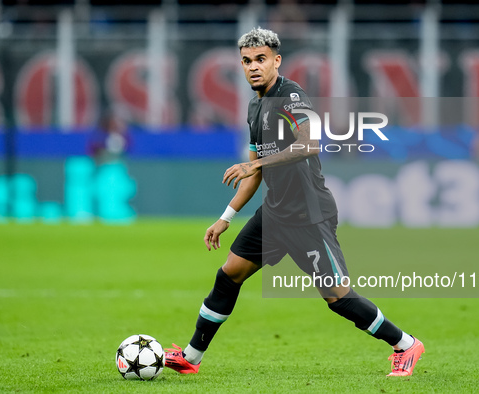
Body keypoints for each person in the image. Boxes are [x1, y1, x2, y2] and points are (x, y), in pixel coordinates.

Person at [164, 27, 424, 377]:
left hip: (309, 215)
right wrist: (227, 216)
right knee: (229, 275)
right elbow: (254, 175)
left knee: (338, 297)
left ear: (276, 60)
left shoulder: (292, 98)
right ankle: (191, 357)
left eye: (260, 59)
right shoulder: (255, 107)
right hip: (275, 213)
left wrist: (254, 162)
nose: (253, 67)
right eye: (246, 61)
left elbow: (309, 144)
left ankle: (406, 345)